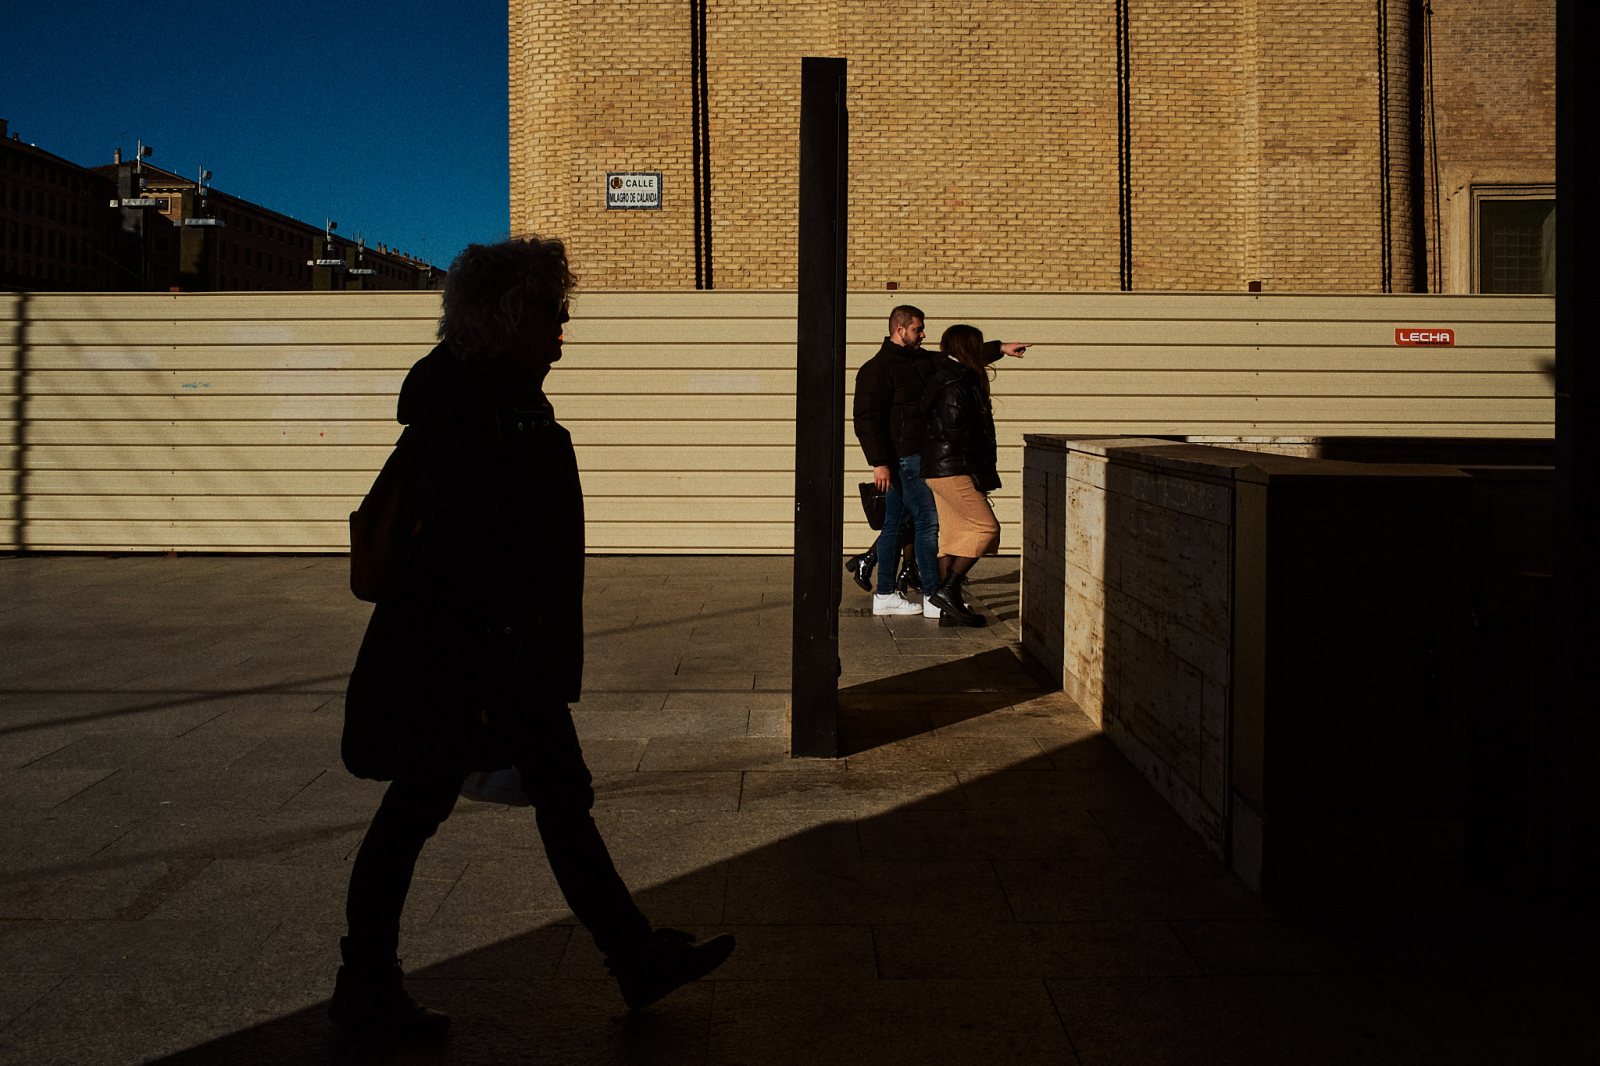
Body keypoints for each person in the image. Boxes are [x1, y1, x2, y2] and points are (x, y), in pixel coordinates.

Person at [334, 237, 734, 1037]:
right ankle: (367, 985)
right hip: (474, 657)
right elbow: (464, 558)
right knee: (422, 807)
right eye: (553, 314)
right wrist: (489, 685)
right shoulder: (476, 412)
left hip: (495, 652)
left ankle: (631, 956)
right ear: (512, 316)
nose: (562, 331)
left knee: (540, 800)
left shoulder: (492, 400)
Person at [851, 305, 1026, 617]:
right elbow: (866, 419)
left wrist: (1000, 348)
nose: (923, 334)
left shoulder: (923, 360)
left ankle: (886, 594)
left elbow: (962, 356)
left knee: (894, 525)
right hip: (904, 458)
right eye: (917, 329)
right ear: (900, 329)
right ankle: (933, 595)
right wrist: (879, 462)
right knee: (928, 522)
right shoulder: (877, 369)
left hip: (917, 455)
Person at [921, 323, 1008, 627]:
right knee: (986, 529)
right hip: (954, 468)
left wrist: (1000, 349)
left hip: (939, 468)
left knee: (954, 537)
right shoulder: (956, 383)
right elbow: (957, 429)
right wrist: (979, 463)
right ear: (968, 348)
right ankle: (948, 591)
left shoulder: (946, 372)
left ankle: (950, 610)